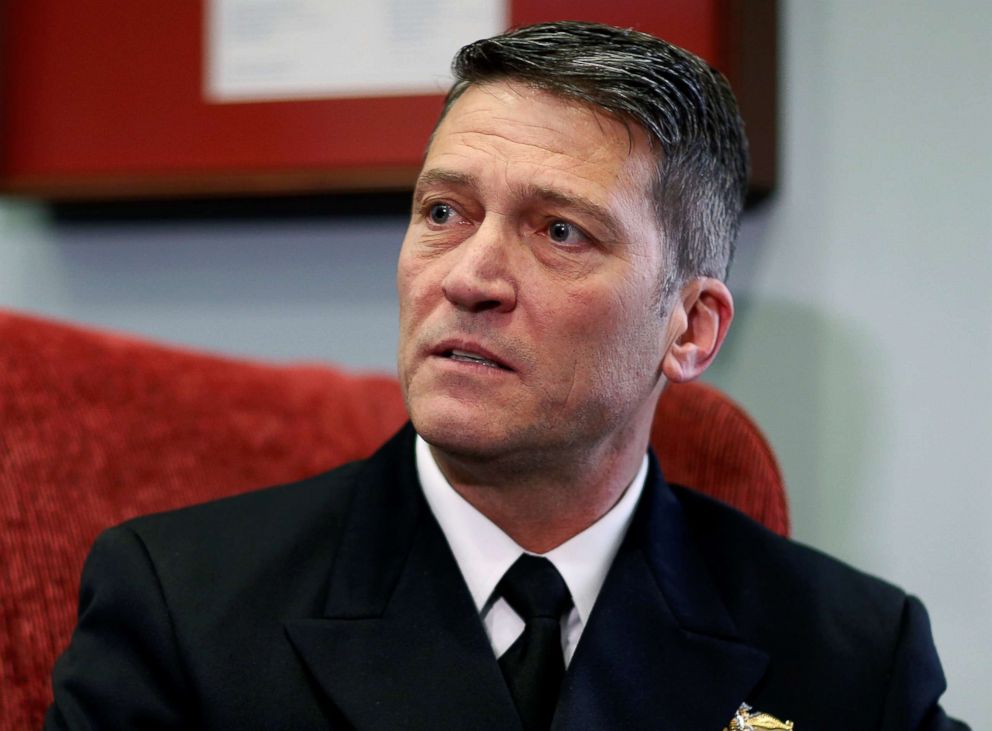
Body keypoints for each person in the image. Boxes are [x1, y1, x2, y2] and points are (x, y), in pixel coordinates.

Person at [45, 21, 967, 731]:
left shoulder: (851, 653)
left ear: (689, 327)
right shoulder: (180, 609)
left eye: (560, 231)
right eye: (444, 211)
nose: (469, 277)